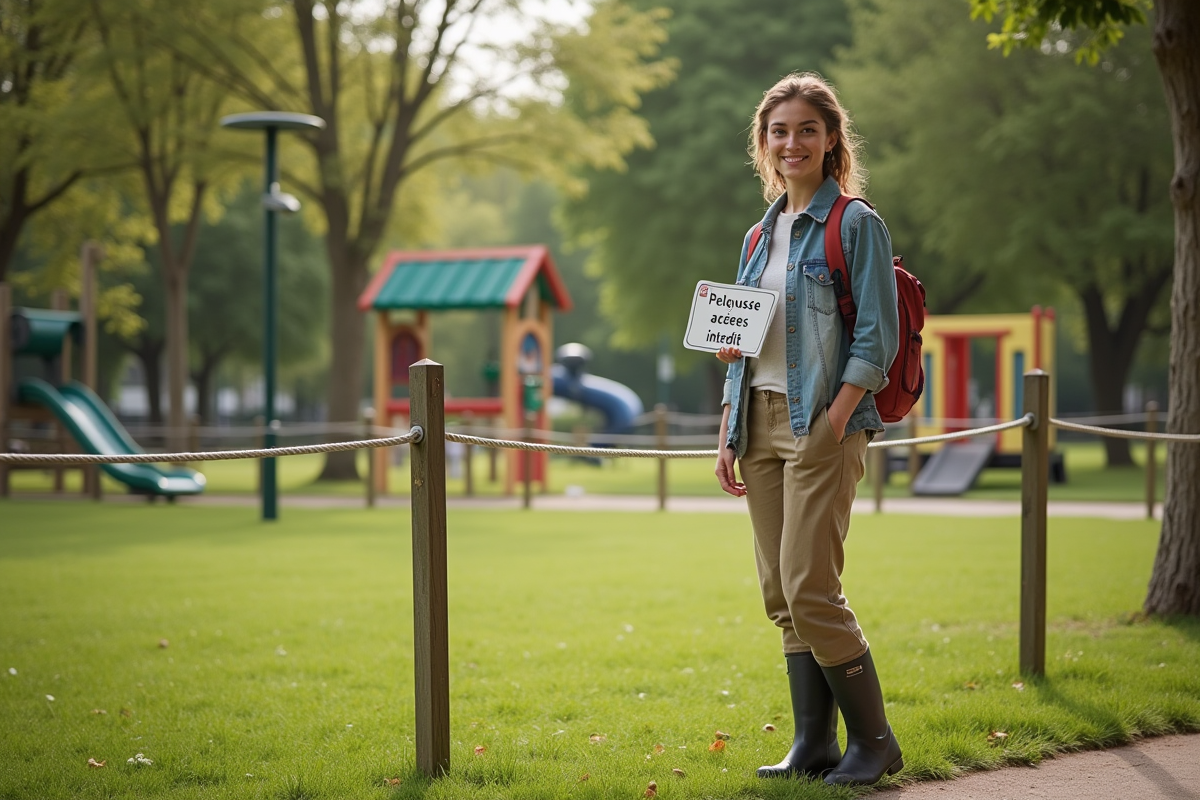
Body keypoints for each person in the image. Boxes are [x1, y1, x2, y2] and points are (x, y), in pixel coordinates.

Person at [714, 72, 903, 786]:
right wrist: (728, 426)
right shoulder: (759, 236)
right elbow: (746, 337)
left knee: (810, 586)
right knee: (780, 594)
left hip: (823, 422)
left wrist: (831, 423)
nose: (791, 143)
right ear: (764, 144)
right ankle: (812, 744)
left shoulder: (856, 224)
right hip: (757, 422)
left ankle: (876, 742)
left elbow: (875, 341)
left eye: (806, 130)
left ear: (830, 141)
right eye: (779, 131)